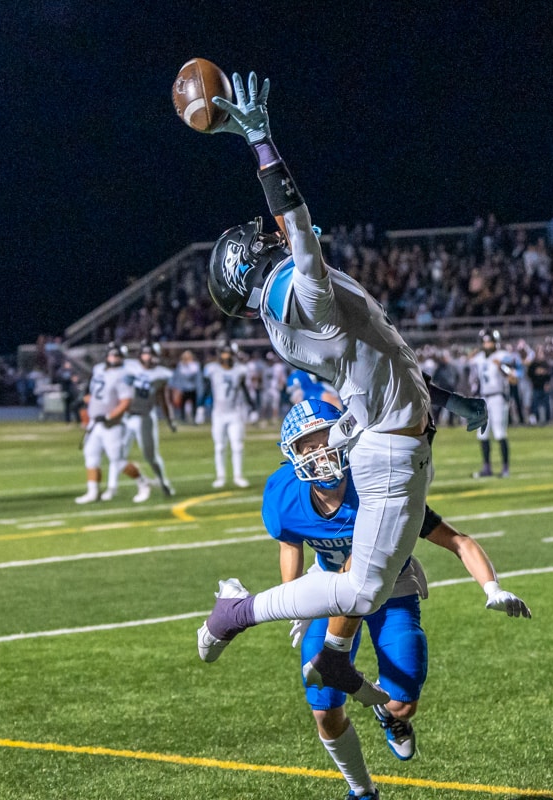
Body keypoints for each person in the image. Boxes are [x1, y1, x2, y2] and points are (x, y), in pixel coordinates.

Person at [194, 70, 487, 704]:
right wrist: (262, 145)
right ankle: (235, 614)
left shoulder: (294, 308)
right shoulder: (298, 298)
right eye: (257, 237)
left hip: (390, 431)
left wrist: (450, 400)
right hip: (388, 448)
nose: (262, 231)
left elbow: (388, 362)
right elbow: (299, 234)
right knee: (361, 590)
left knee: (369, 583)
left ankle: (329, 656)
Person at [264, 400, 529, 799]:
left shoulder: (379, 483)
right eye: (307, 446)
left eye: (325, 441)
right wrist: (295, 601)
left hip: (392, 586)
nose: (319, 453)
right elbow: (291, 545)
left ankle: (387, 716)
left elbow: (457, 541)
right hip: (332, 590)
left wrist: (492, 587)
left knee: (402, 704)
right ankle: (361, 790)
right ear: (293, 454)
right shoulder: (285, 494)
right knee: (324, 708)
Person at [75, 343, 154, 504]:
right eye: (112, 355)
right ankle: (93, 492)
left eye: (117, 356)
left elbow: (125, 401)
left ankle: (143, 483)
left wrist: (110, 416)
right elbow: (95, 393)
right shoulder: (98, 369)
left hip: (112, 425)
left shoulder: (122, 375)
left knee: (118, 461)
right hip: (94, 424)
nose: (114, 359)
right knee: (91, 457)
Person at [123, 342, 177, 497]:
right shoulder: (129, 367)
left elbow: (163, 399)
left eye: (152, 354)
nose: (149, 357)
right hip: (126, 417)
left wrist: (170, 419)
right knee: (117, 456)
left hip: (145, 416)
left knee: (150, 456)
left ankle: (162, 481)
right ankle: (139, 482)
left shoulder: (161, 374)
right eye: (146, 354)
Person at [203, 341, 254, 488]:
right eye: (223, 353)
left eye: (228, 353)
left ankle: (238, 475)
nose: (226, 356)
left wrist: (252, 407)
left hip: (234, 413)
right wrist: (200, 407)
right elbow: (207, 390)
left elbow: (244, 390)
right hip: (218, 413)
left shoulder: (240, 370)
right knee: (219, 446)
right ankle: (221, 476)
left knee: (237, 445)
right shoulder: (212, 369)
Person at [469, 330, 515, 477]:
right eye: (485, 342)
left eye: (490, 342)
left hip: (498, 397)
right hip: (483, 398)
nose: (487, 345)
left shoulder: (502, 356)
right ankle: (487, 468)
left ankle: (505, 468)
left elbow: (513, 378)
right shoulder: (479, 358)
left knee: (499, 432)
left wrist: (502, 367)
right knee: (482, 434)